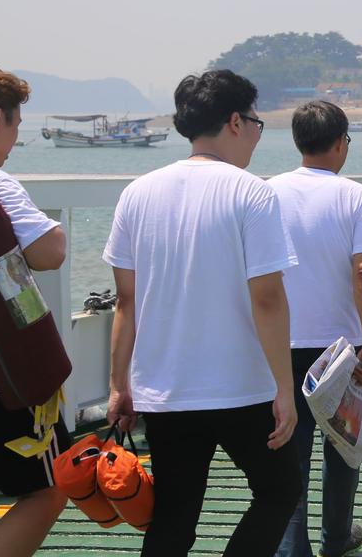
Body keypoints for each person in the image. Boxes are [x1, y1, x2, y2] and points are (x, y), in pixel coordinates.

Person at [103, 70, 300, 556]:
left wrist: (118, 385)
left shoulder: (137, 193)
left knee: (174, 517)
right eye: (255, 123)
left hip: (164, 388)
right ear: (235, 122)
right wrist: (284, 388)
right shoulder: (251, 192)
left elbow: (126, 301)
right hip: (241, 387)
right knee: (279, 491)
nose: (256, 134)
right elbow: (268, 299)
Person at [269, 101, 362, 557]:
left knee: (289, 453)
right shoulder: (358, 197)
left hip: (281, 344)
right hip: (339, 350)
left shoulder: (266, 192)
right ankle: (336, 538)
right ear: (340, 143)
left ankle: (290, 548)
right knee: (343, 448)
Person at [0, 69, 70, 557]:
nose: (14, 141)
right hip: (5, 385)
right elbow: (50, 252)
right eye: (15, 125)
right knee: (50, 487)